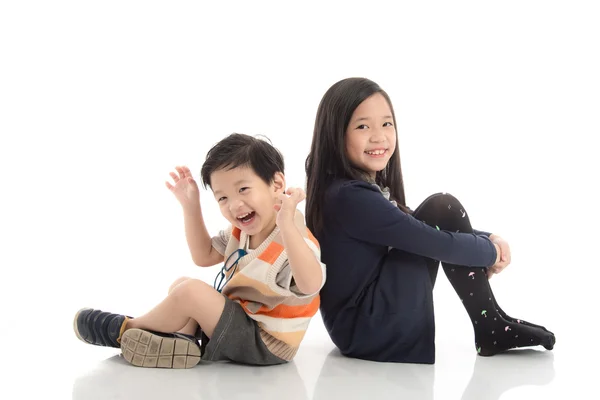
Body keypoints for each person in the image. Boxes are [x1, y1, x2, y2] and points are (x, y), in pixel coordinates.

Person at [304, 77, 555, 364]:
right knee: (441, 208)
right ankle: (490, 326)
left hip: (361, 323)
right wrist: (490, 252)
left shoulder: (345, 188)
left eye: (387, 124)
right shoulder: (350, 197)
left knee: (439, 212)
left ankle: (492, 323)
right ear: (335, 134)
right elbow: (428, 238)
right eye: (363, 126)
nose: (379, 136)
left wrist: (486, 239)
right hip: (367, 329)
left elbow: (413, 225)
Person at [74, 133, 325, 368]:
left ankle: (126, 330)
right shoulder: (242, 233)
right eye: (222, 198)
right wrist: (190, 205)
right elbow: (203, 256)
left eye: (243, 189)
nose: (235, 205)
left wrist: (287, 227)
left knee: (190, 292)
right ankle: (181, 340)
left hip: (268, 344)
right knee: (182, 284)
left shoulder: (294, 238)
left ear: (277, 184)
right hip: (245, 324)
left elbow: (311, 284)